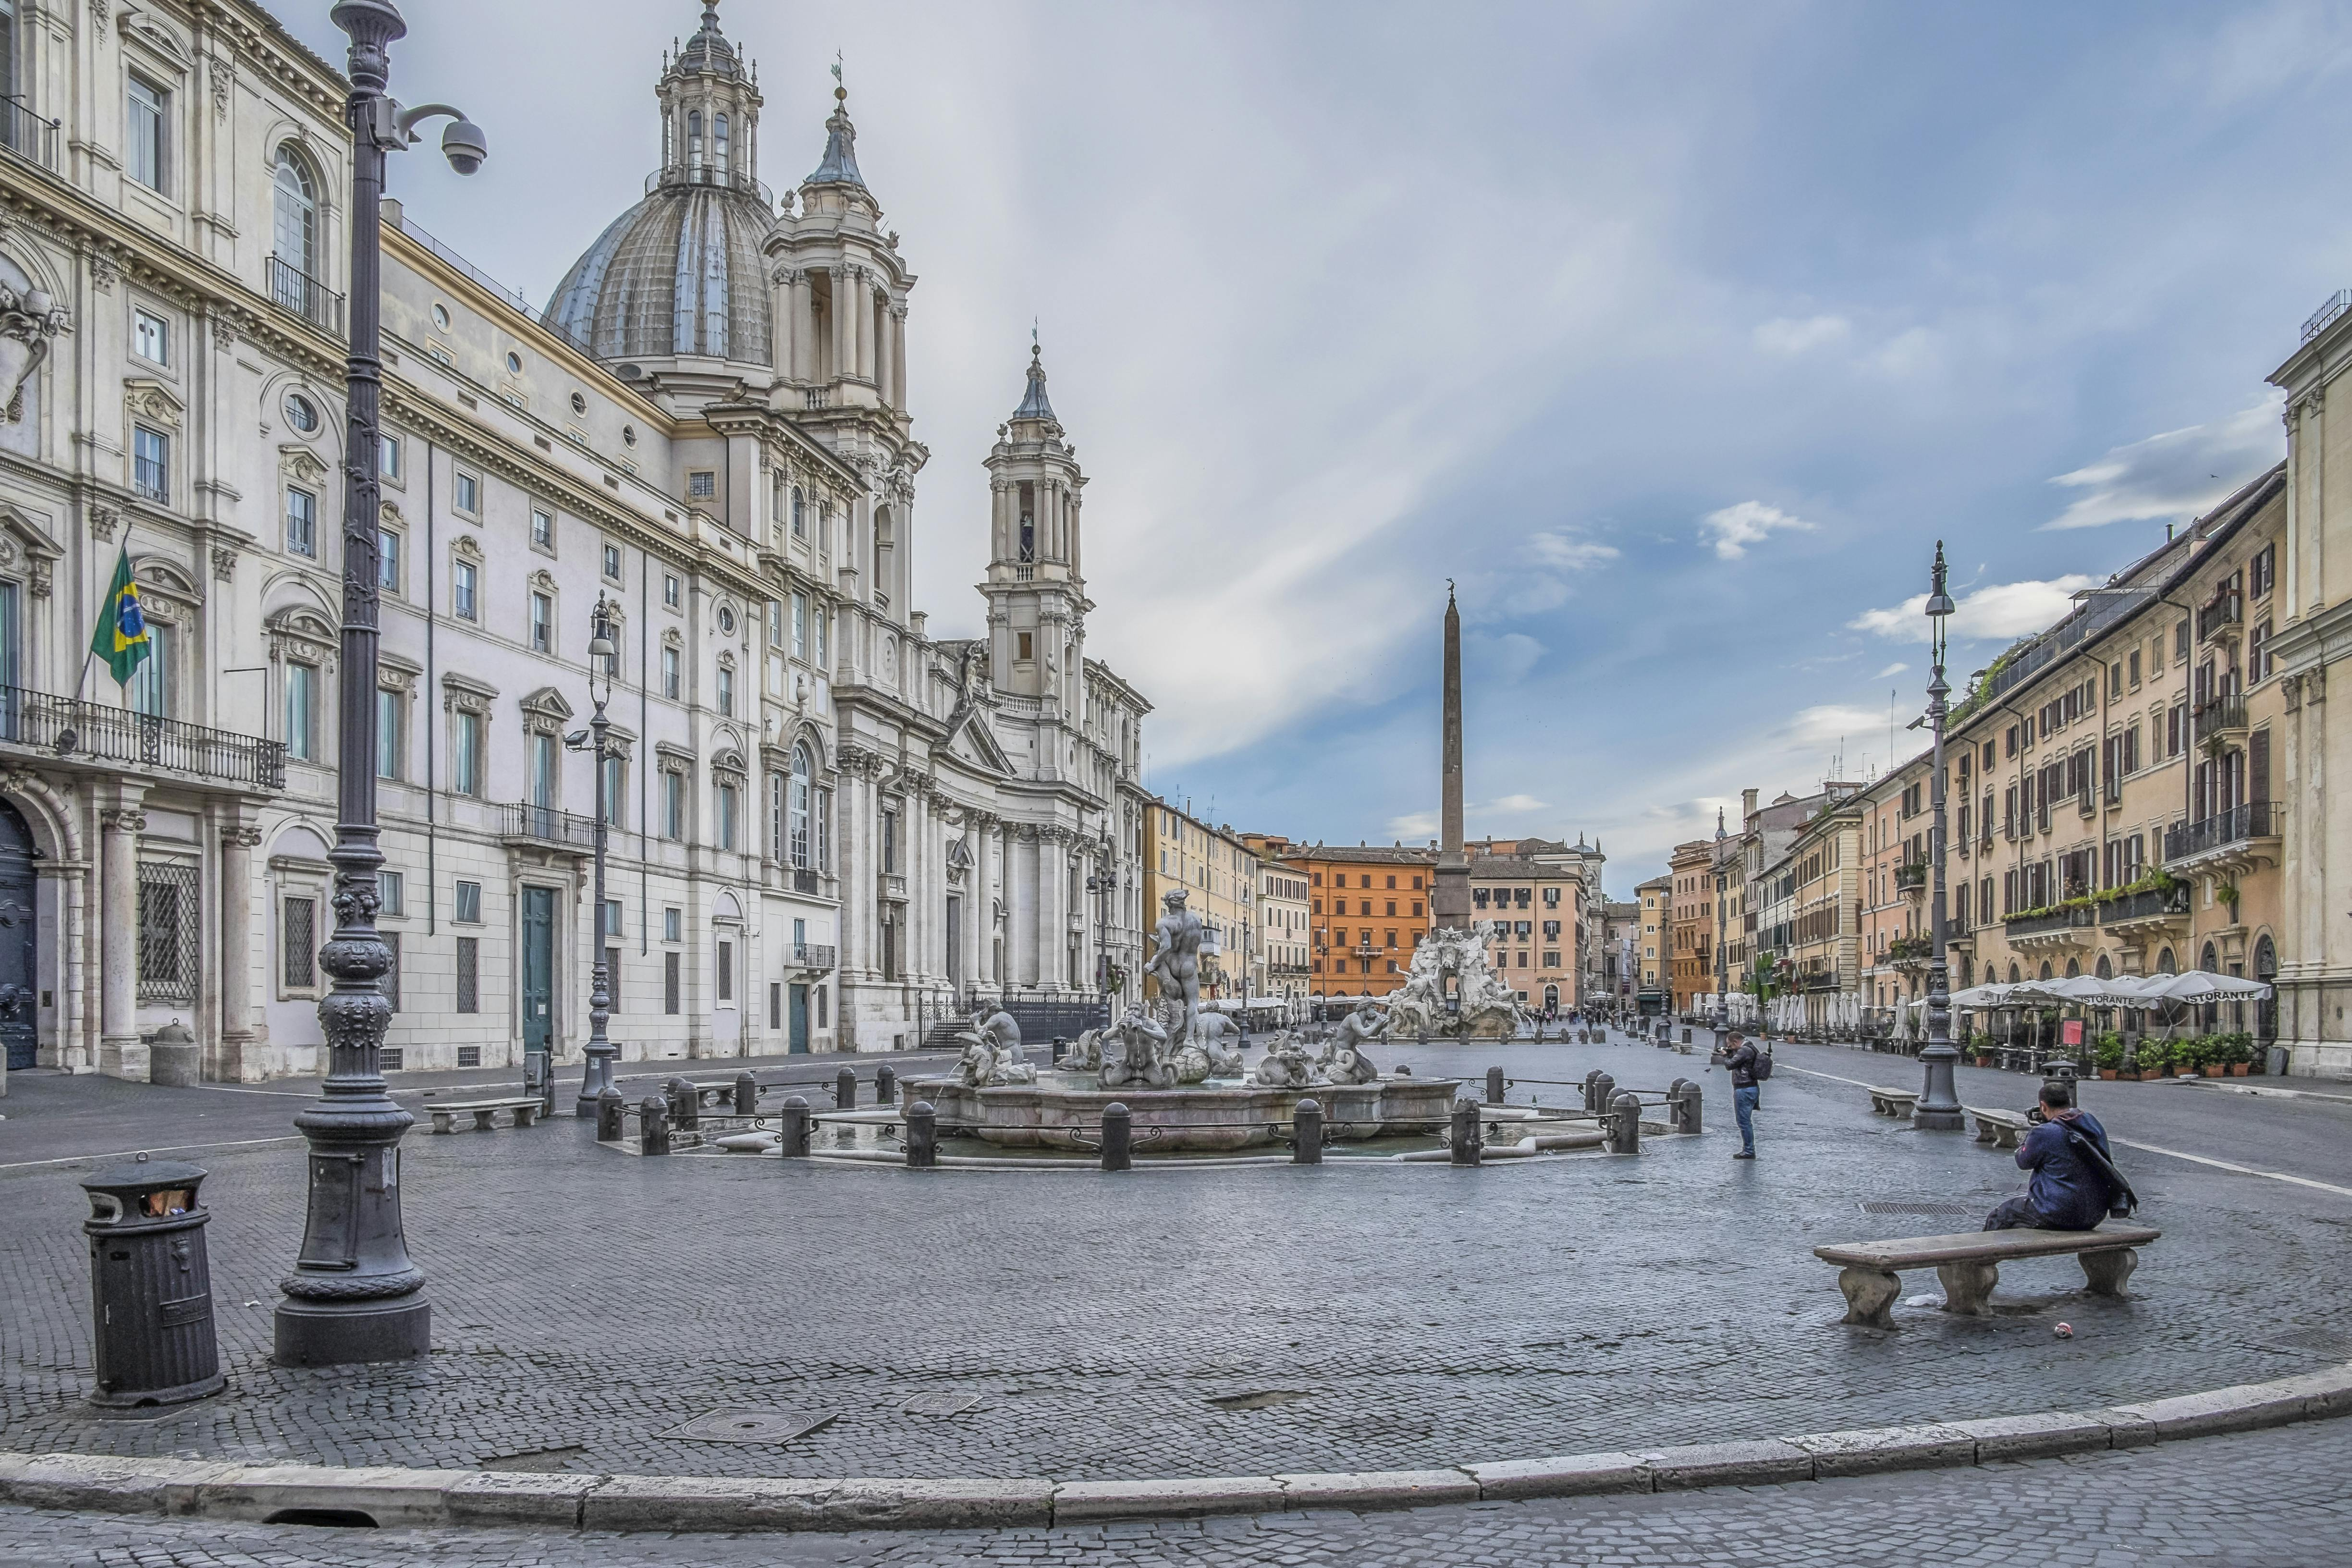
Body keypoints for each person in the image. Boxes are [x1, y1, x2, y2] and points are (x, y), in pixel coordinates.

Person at [1984, 1082, 2114, 1231]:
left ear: (2043, 1106)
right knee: (2019, 1222)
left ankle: (1983, 1253)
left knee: (2001, 1216)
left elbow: (2023, 1161)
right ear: (2069, 1102)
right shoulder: (2092, 1122)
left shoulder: (2044, 1133)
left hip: (2057, 1211)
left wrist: (2031, 1136)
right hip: (2095, 1213)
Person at [1723, 1030, 1762, 1159]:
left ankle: (1749, 1151)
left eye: (1730, 1046)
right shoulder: (1751, 1048)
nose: (1730, 1048)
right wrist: (1731, 1052)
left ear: (1736, 1042)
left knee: (1744, 1122)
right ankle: (1749, 1149)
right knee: (1745, 1121)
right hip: (1751, 1088)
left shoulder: (1744, 1051)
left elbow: (1730, 1065)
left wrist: (1726, 1056)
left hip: (1744, 1089)